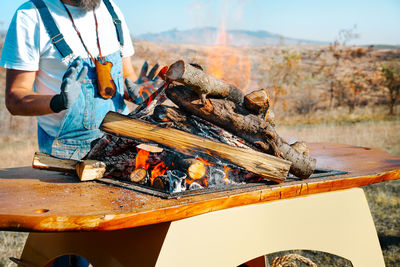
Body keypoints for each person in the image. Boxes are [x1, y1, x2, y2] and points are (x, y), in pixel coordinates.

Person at [0, 0, 158, 160]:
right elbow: (15, 99)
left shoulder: (111, 9)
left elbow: (126, 76)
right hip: (68, 154)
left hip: (122, 144)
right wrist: (58, 102)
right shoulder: (30, 15)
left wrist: (139, 92)